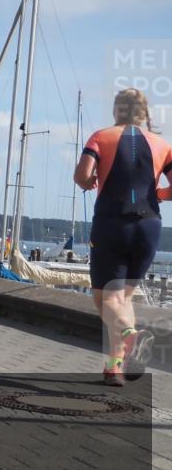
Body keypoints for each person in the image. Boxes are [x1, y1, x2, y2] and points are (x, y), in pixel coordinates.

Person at [74, 89, 172, 386]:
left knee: (105, 300)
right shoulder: (162, 145)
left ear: (117, 110)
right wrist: (158, 194)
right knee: (123, 297)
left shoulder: (100, 137)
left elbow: (81, 176)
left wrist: (90, 180)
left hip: (112, 224)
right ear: (144, 113)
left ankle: (132, 336)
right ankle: (114, 367)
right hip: (149, 226)